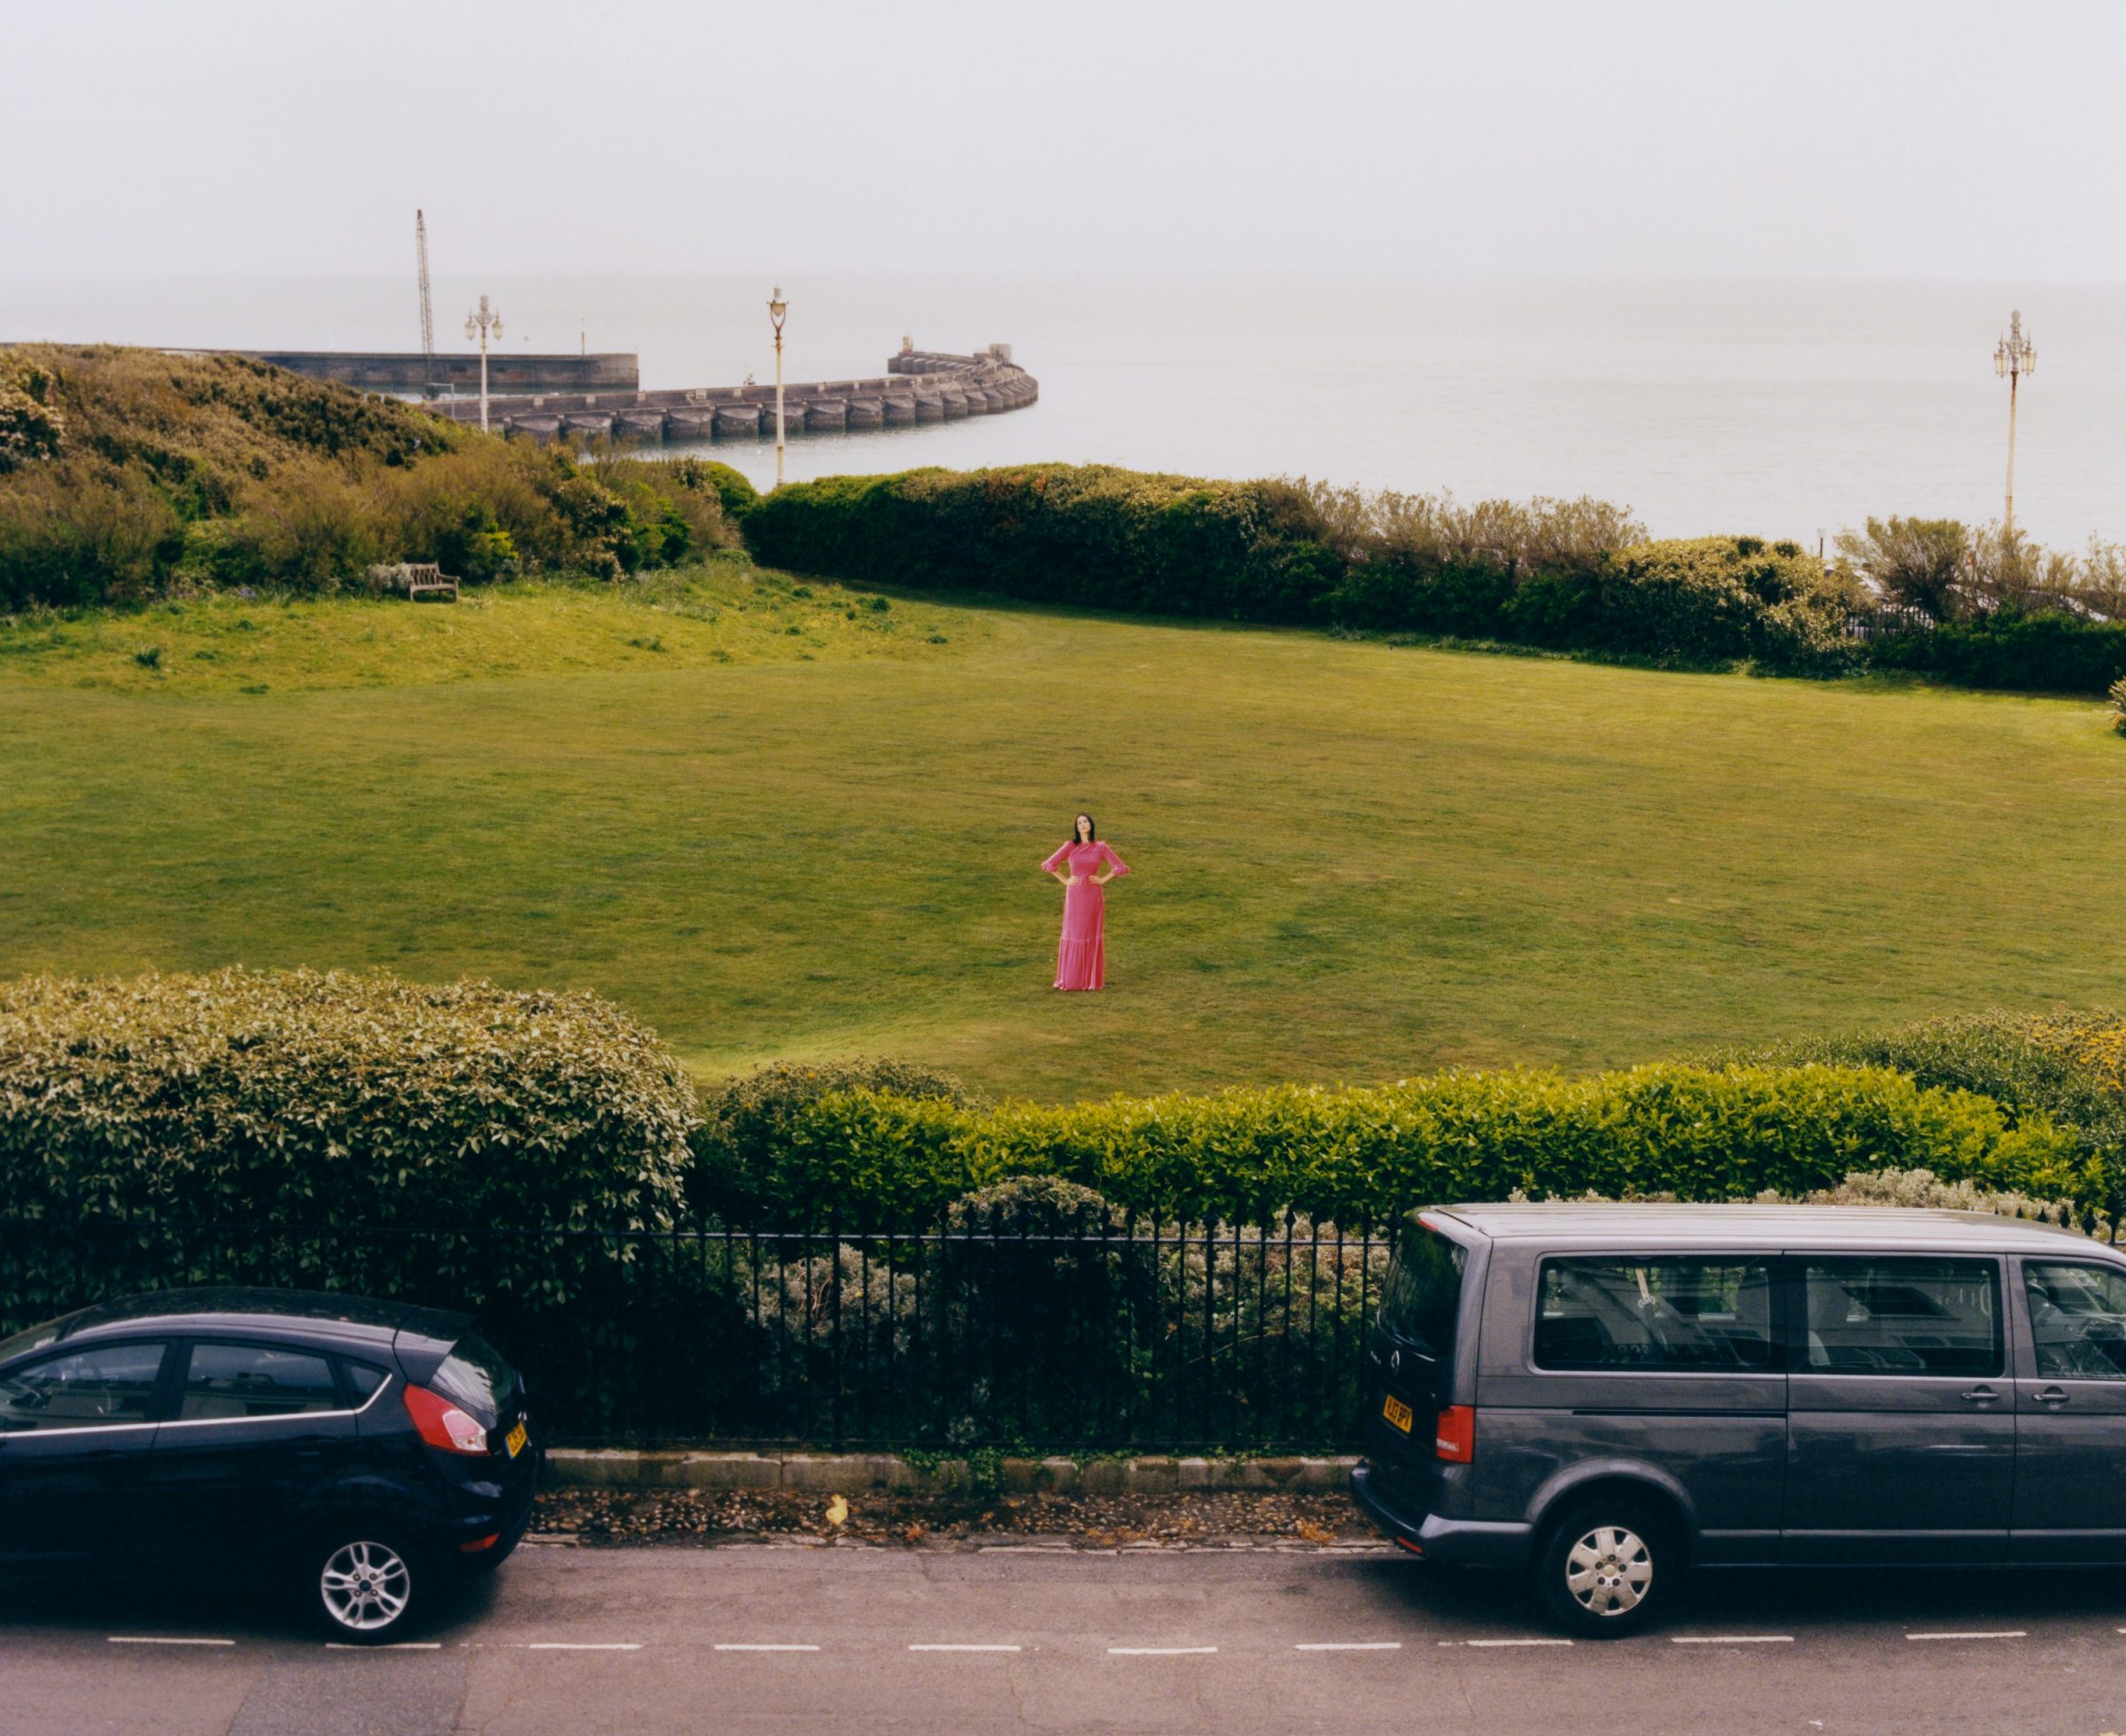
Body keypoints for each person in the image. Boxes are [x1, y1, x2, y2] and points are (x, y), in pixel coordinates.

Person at [1042, 813, 1130, 991]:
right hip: (1075, 895)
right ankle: (1072, 978)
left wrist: (1103, 879)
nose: (1083, 824)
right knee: (1075, 932)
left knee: (1088, 932)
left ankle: (1089, 980)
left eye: (1085, 821)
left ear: (1091, 824)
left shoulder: (1100, 847)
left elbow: (1120, 867)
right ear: (1076, 827)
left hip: (1092, 895)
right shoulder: (1070, 846)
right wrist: (1065, 880)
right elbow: (1049, 865)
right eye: (1079, 822)